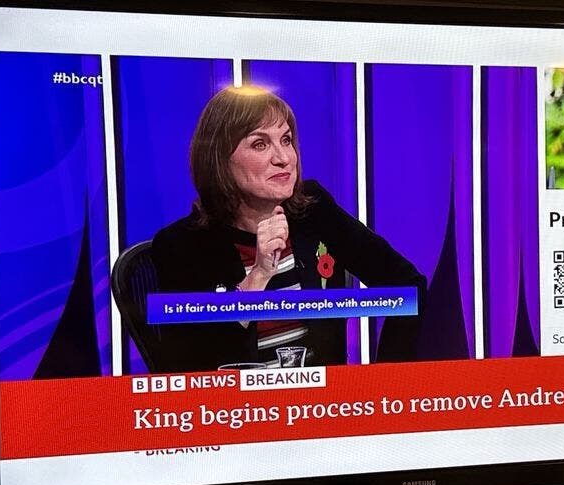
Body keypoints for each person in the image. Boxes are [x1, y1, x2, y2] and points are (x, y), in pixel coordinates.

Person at [151, 86, 426, 370]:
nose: (283, 158)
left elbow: (407, 285)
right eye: (260, 144)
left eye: (286, 140)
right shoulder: (180, 245)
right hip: (237, 400)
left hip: (324, 396)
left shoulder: (314, 211)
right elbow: (187, 368)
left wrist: (387, 382)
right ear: (219, 159)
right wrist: (258, 276)